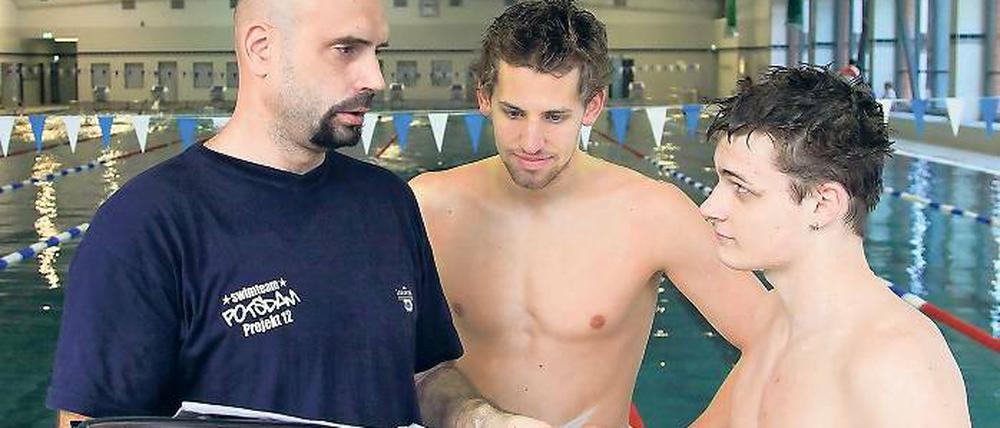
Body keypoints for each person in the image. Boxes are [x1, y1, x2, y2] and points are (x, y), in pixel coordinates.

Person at [46, 1, 535, 427]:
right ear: (261, 49)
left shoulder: (387, 201)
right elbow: (92, 421)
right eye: (346, 49)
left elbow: (424, 374)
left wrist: (480, 418)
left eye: (377, 52)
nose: (376, 79)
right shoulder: (145, 227)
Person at [408, 1, 766, 426]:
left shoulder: (653, 214)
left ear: (592, 107)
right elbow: (388, 357)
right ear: (484, 97)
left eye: (555, 117)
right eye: (514, 113)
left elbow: (776, 341)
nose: (531, 141)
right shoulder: (429, 206)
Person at [692, 65, 970, 427]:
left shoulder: (896, 363)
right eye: (719, 182)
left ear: (822, 204)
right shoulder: (774, 314)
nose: (709, 207)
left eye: (741, 188)